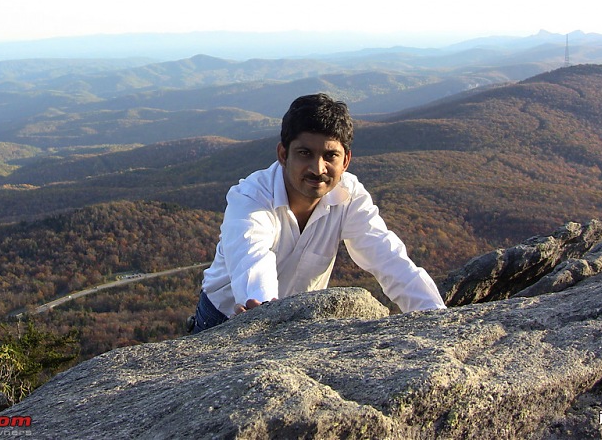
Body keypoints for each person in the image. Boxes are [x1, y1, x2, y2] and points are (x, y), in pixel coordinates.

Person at [189, 93, 445, 333]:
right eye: (304, 153)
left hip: (296, 320)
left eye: (330, 155)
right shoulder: (251, 197)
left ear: (345, 161)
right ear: (283, 154)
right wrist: (263, 306)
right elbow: (251, 256)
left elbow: (389, 259)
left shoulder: (349, 195)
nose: (317, 168)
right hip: (224, 318)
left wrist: (436, 319)